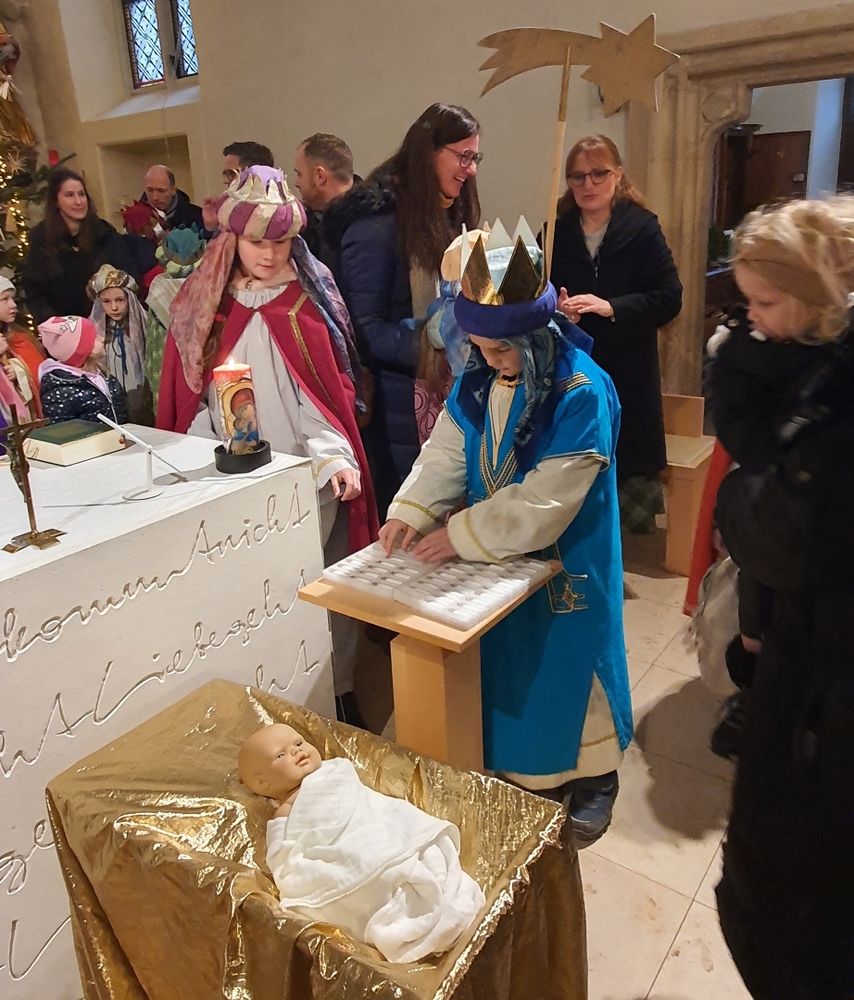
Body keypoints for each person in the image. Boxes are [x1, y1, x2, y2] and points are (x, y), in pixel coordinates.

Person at [380, 231, 632, 844]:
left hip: (567, 551)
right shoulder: (480, 376)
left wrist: (462, 533)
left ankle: (596, 774)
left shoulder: (580, 390)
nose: (489, 360)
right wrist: (412, 508)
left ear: (535, 335)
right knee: (518, 665)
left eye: (500, 349)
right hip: (498, 553)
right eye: (481, 347)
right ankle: (525, 766)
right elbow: (449, 446)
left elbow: (551, 496)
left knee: (571, 662)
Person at [157, 166, 377, 725]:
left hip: (305, 478)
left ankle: (336, 688)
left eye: (281, 241)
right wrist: (200, 453)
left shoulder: (305, 306)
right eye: (258, 241)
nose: (270, 253)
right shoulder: (209, 309)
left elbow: (320, 399)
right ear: (232, 239)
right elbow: (195, 396)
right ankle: (265, 687)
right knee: (252, 592)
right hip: (230, 478)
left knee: (321, 580)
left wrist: (334, 457)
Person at [711, 197, 854, 1000]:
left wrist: (741, 498)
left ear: (812, 297)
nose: (754, 317)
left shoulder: (832, 386)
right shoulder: (795, 356)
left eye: (765, 302)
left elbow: (785, 530)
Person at [324, 103, 481, 517]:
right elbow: (363, 331)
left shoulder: (441, 213)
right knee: (414, 519)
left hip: (441, 390)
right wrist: (432, 337)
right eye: (463, 156)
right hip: (400, 403)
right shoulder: (375, 225)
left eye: (475, 157)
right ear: (429, 153)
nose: (470, 170)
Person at [239, 723, 484, 963]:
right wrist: (299, 875)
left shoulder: (335, 772)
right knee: (371, 874)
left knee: (410, 849)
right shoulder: (286, 811)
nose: (296, 751)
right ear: (262, 783)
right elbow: (283, 856)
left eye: (299, 742)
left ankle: (423, 882)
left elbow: (369, 804)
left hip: (375, 832)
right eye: (281, 755)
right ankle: (397, 904)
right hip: (346, 854)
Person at [551, 135, 682, 534]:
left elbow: (669, 298)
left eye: (598, 174)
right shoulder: (554, 231)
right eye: (577, 176)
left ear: (618, 174)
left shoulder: (641, 228)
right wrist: (556, 308)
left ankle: (619, 546)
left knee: (625, 466)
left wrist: (611, 307)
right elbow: (534, 295)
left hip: (628, 367)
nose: (588, 184)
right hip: (574, 367)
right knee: (573, 463)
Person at [23, 168, 140, 326]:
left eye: (81, 194)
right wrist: (58, 326)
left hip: (109, 326)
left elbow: (129, 278)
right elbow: (35, 293)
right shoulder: (41, 240)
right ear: (56, 201)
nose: (78, 202)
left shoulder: (105, 234)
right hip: (65, 330)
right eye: (69, 195)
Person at [86, 264, 152, 425]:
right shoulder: (95, 332)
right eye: (106, 301)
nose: (114, 307)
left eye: (120, 300)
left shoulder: (144, 325)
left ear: (130, 299)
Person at [37, 315, 129, 425]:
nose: (102, 338)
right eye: (94, 337)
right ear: (82, 349)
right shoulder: (61, 389)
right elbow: (62, 429)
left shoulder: (100, 372)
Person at [293, 133, 358, 269]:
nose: (296, 183)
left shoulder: (361, 231)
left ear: (320, 176)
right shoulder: (311, 222)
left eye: (299, 174)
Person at [204, 141, 277, 232]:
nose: (225, 181)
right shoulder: (232, 213)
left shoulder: (278, 217)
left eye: (231, 174)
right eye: (226, 174)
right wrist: (213, 227)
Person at [0, 276, 45, 419]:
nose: (13, 305)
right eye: (5, 299)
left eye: (12, 299)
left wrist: (18, 371)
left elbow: (38, 371)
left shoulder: (19, 337)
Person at [141, 165, 203, 230]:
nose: (155, 197)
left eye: (161, 191)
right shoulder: (136, 219)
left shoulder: (197, 217)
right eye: (150, 190)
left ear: (173, 190)